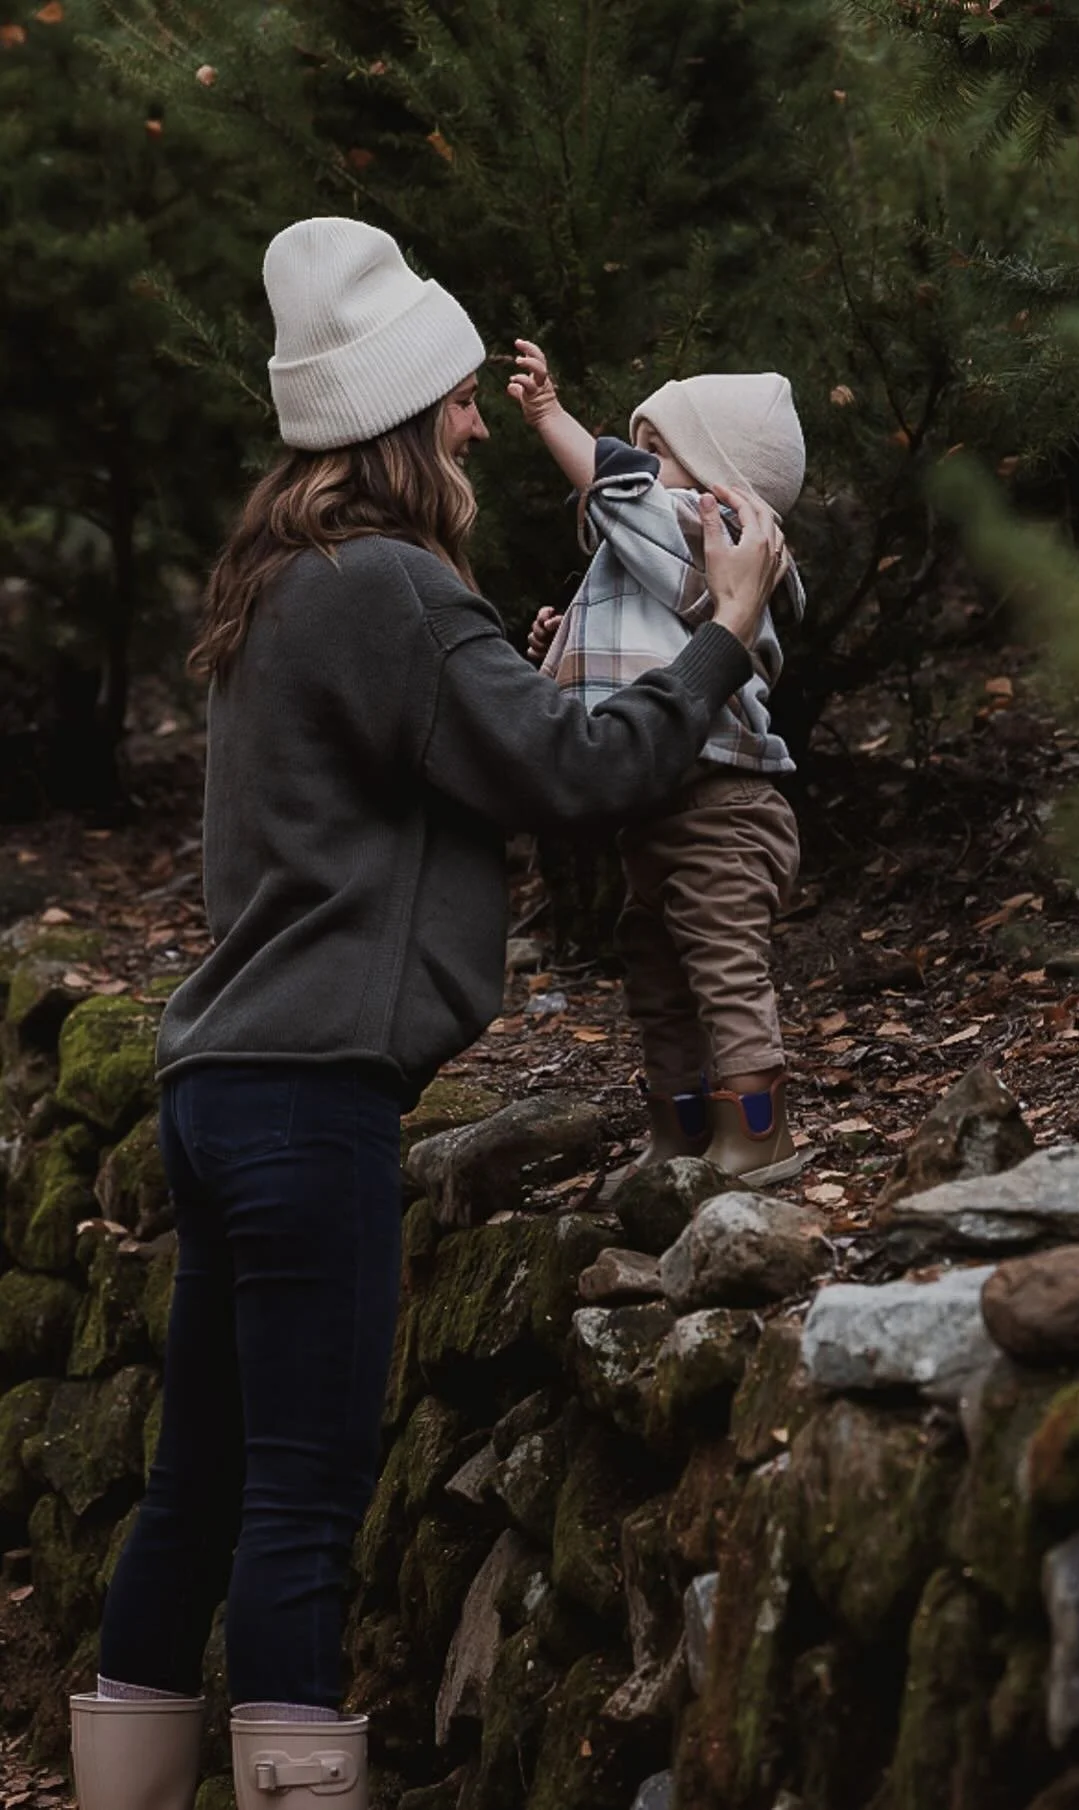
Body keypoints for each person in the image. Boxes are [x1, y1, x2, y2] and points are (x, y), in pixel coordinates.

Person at [68, 217, 786, 1810]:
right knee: (306, 1504)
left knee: (192, 1488)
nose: (477, 421)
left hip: (219, 1088)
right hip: (311, 1102)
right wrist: (727, 626)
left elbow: (477, 758)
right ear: (403, 420)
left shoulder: (283, 579)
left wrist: (519, 689)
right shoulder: (392, 588)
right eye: (458, 400)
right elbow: (585, 775)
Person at [508, 339, 805, 1190]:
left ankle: (762, 1131)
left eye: (659, 450)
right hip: (663, 809)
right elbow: (622, 679)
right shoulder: (661, 554)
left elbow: (614, 489)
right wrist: (558, 650)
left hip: (721, 808)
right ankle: (678, 1126)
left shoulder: (710, 530)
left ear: (720, 483)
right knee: (654, 964)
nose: (638, 465)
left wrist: (549, 416)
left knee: (722, 965)